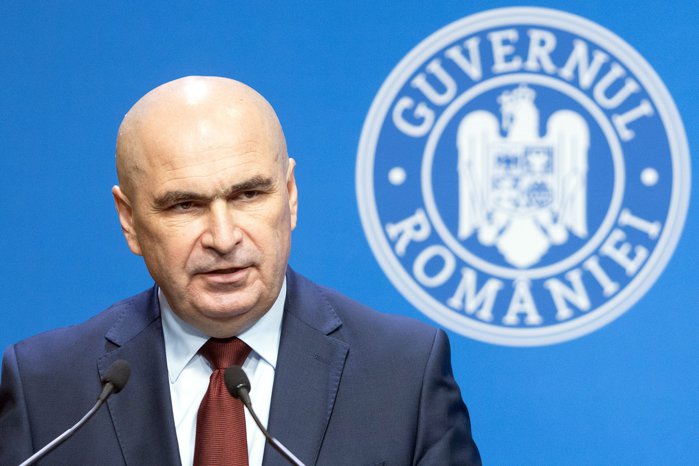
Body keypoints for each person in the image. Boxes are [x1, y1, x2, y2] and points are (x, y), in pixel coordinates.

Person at [0, 76, 481, 465]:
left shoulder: (404, 373)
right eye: (185, 205)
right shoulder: (47, 388)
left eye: (248, 195)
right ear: (129, 221)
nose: (224, 237)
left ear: (290, 195)